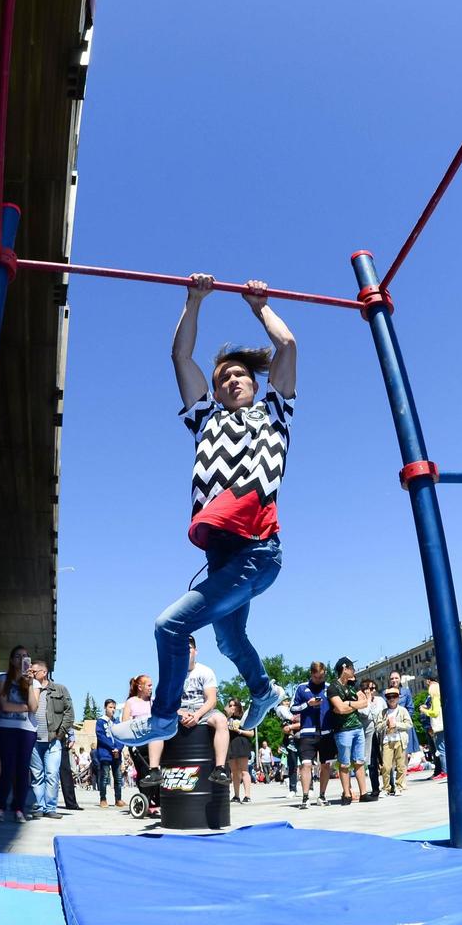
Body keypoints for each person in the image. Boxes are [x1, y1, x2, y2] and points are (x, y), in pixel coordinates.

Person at [112, 273, 296, 747]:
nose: (233, 379)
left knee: (170, 625)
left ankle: (163, 717)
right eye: (223, 378)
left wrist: (260, 308)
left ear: (256, 384)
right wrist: (193, 301)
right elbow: (180, 356)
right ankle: (263, 689)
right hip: (224, 557)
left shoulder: (274, 413)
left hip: (256, 552)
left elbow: (288, 347)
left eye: (241, 374)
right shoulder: (206, 420)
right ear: (214, 394)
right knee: (231, 641)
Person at [139, 635, 230, 791]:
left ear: (195, 651)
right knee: (157, 721)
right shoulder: (172, 673)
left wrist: (197, 715)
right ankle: (154, 770)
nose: (186, 652)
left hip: (203, 710)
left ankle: (219, 769)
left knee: (221, 720)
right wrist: (180, 713)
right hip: (179, 711)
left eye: (189, 648)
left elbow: (211, 700)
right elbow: (166, 701)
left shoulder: (205, 671)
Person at [0, 645, 40, 822]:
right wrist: (25, 708)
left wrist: (28, 685)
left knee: (22, 769)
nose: (22, 660)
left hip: (27, 730)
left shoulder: (34, 683)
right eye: (18, 656)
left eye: (25, 656)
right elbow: (4, 706)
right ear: (12, 660)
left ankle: (19, 808)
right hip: (6, 727)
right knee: (8, 768)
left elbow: (34, 707)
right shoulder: (3, 679)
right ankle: (0, 806)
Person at [23, 660, 73, 820]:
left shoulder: (60, 689)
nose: (31, 673)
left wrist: (60, 733)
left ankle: (50, 807)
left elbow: (69, 712)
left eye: (35, 671)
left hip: (53, 739)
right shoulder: (28, 688)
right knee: (37, 775)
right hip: (33, 738)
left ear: (44, 672)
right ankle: (39, 805)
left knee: (52, 774)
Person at [290, 661, 334, 808]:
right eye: (316, 677)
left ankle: (321, 796)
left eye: (322, 677)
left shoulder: (329, 688)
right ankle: (305, 797)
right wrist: (307, 704)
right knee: (306, 765)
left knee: (326, 765)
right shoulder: (302, 688)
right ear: (311, 674)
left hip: (326, 732)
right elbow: (292, 708)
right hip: (307, 732)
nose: (319, 680)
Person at [327, 657, 371, 803]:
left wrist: (349, 703)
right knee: (344, 763)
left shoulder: (354, 684)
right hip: (343, 730)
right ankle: (346, 794)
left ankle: (364, 793)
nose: (354, 670)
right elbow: (339, 708)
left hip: (358, 727)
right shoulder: (333, 687)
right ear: (344, 669)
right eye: (352, 668)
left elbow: (364, 702)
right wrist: (351, 705)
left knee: (359, 761)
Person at [94, 699, 125, 808]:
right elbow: (101, 736)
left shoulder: (117, 722)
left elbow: (121, 737)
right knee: (105, 777)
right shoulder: (100, 722)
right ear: (105, 708)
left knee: (118, 777)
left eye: (114, 708)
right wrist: (112, 747)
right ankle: (103, 798)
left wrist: (118, 749)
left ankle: (118, 799)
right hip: (105, 753)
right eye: (110, 707)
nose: (112, 710)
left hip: (116, 754)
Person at [224, 698, 255, 803]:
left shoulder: (245, 717)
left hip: (242, 743)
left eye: (234, 705)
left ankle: (247, 796)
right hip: (231, 744)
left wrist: (239, 731)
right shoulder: (226, 718)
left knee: (244, 770)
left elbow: (251, 733)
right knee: (234, 771)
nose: (232, 707)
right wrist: (227, 715)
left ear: (239, 706)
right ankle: (236, 795)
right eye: (230, 705)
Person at [382, 685, 411, 795]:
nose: (392, 699)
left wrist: (397, 724)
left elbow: (409, 724)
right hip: (387, 740)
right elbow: (378, 727)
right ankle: (386, 788)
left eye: (394, 696)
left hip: (400, 739)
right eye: (389, 697)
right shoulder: (384, 712)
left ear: (398, 698)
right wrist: (386, 724)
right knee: (386, 766)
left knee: (400, 765)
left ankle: (399, 786)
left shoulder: (402, 710)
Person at [418, 673, 446, 781]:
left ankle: (444, 771)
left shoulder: (434, 694)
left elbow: (434, 712)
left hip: (437, 726)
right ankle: (443, 770)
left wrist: (424, 710)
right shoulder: (437, 694)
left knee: (440, 749)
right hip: (438, 725)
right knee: (440, 748)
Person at [360, 677, 385, 799]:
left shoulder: (380, 700)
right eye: (370, 688)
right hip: (368, 735)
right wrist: (368, 700)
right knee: (372, 763)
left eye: (374, 688)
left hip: (381, 734)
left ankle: (390, 785)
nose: (373, 690)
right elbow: (364, 713)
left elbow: (385, 713)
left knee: (385, 760)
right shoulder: (361, 701)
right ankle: (375, 788)